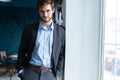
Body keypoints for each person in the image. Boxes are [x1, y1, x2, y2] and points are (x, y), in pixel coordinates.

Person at [15, 0, 65, 80]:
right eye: (42, 11)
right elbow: (22, 51)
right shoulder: (29, 29)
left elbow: (61, 54)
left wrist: (59, 73)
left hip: (50, 74)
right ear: (38, 11)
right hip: (30, 72)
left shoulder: (61, 31)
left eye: (48, 11)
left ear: (53, 10)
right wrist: (21, 71)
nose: (45, 15)